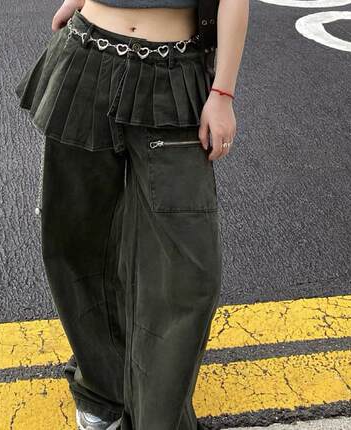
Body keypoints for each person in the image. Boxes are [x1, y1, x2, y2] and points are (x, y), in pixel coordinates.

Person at [14, 0, 249, 428]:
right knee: (78, 240)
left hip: (173, 75)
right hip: (86, 57)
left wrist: (223, 93)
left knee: (188, 274)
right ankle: (102, 391)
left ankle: (156, 419)